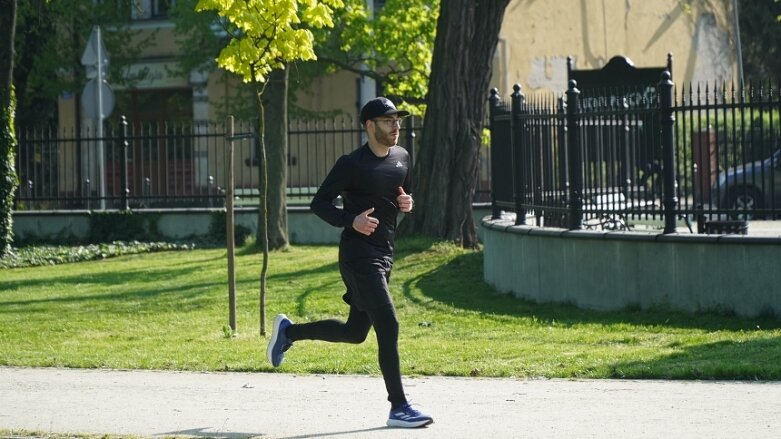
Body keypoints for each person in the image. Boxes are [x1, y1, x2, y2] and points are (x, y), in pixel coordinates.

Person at [266, 97, 434, 429]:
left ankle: (289, 332)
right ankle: (399, 407)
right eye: (388, 121)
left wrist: (406, 203)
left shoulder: (402, 157)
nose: (396, 126)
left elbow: (404, 195)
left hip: (385, 254)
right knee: (390, 324)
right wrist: (351, 220)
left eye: (397, 120)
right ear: (369, 126)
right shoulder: (352, 164)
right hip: (358, 256)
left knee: (355, 332)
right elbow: (319, 203)